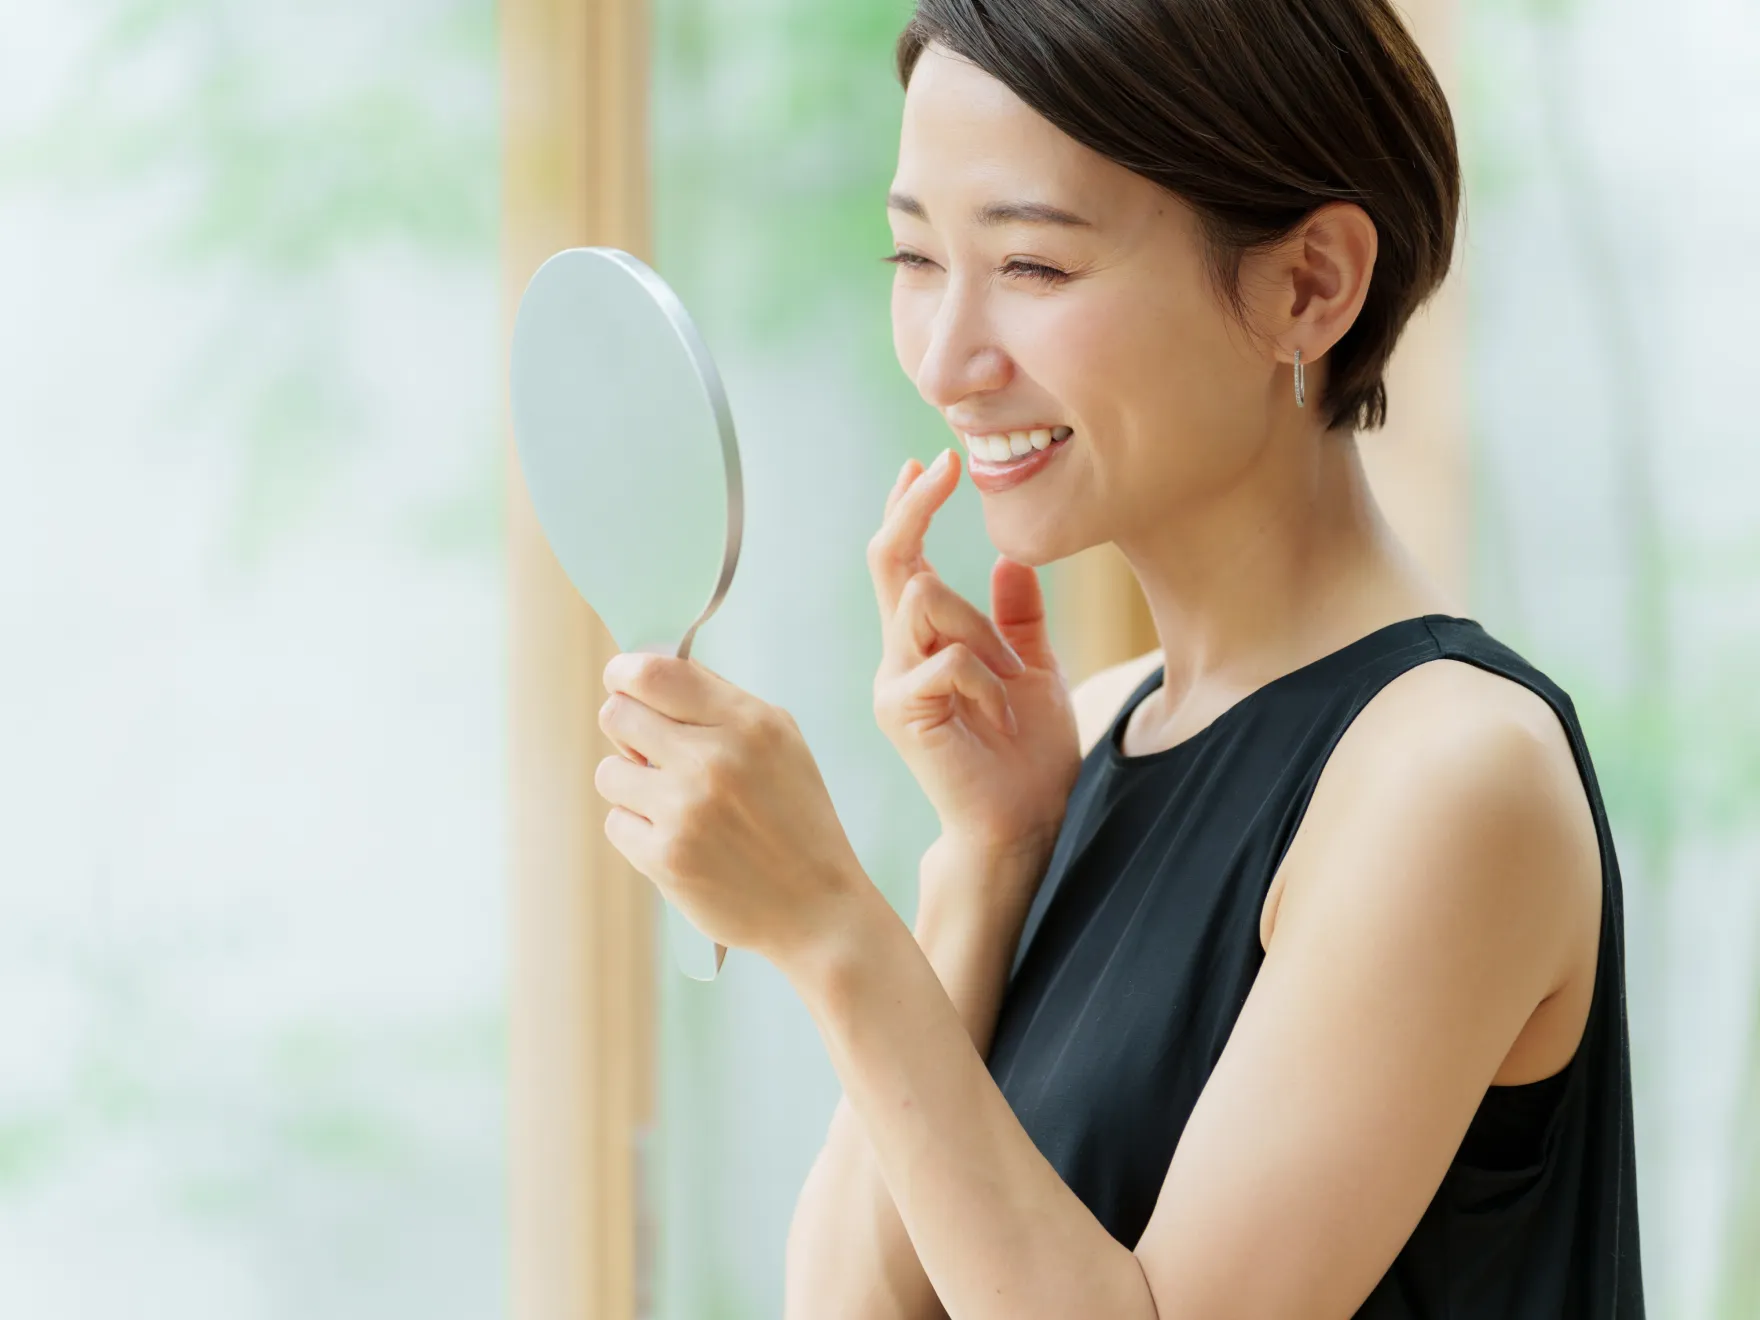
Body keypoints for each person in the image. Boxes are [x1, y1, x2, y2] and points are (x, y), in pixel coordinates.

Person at [591, 0, 1645, 1315]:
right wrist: (985, 861)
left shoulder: (1450, 777)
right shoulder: (1087, 738)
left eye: (1031, 267)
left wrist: (828, 929)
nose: (946, 358)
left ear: (1309, 284)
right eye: (915, 257)